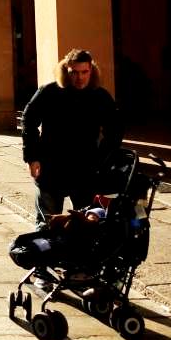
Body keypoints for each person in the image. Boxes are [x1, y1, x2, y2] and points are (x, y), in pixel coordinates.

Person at [21, 48, 122, 231]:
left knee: (85, 226)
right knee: (47, 226)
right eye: (74, 72)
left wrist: (103, 161)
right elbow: (28, 120)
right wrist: (32, 157)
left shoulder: (100, 96)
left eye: (84, 72)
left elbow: (115, 131)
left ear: (91, 71)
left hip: (85, 169)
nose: (80, 77)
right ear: (66, 70)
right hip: (51, 166)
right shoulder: (49, 92)